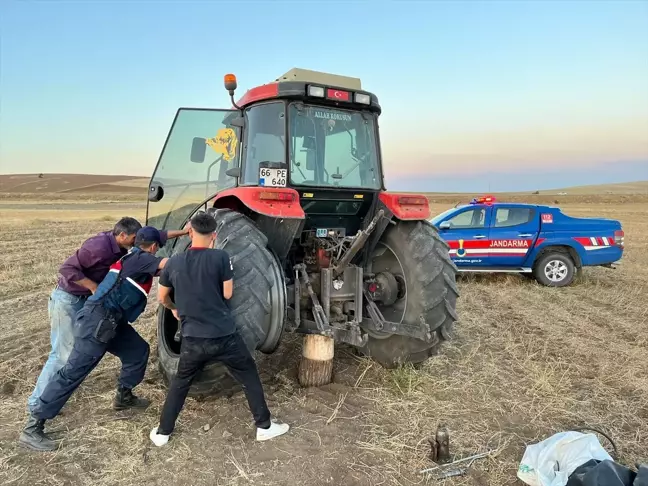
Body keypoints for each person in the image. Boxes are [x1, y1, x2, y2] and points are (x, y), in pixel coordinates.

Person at [19, 227, 176, 452]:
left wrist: (185, 232)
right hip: (97, 322)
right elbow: (172, 265)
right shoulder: (141, 259)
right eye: (157, 246)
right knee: (74, 371)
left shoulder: (134, 256)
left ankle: (124, 396)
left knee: (138, 351)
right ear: (152, 248)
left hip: (112, 321)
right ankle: (33, 427)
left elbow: (160, 238)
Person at [149, 211, 289, 447]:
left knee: (181, 383)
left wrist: (175, 308)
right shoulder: (221, 258)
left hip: (193, 339)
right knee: (249, 376)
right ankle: (264, 426)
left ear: (190, 232)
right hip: (225, 337)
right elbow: (227, 293)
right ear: (214, 235)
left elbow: (162, 297)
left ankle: (163, 433)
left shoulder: (174, 262)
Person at [26, 217, 142, 413]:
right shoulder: (98, 247)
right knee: (62, 354)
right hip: (68, 300)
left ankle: (50, 397)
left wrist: (183, 232)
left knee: (74, 352)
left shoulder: (119, 246)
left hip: (84, 301)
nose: (135, 242)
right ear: (122, 235)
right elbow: (67, 268)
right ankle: (37, 405)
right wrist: (94, 287)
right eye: (133, 238)